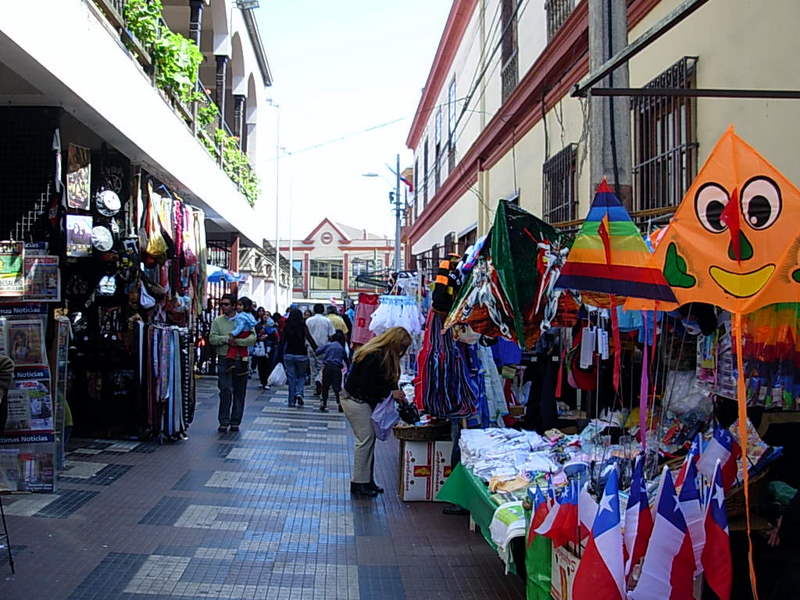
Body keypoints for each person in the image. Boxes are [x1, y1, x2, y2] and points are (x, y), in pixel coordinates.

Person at [343, 326, 412, 498]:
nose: (402, 351)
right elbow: (368, 385)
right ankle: (359, 483)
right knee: (365, 440)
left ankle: (366, 480)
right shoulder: (374, 356)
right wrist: (390, 393)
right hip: (356, 401)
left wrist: (392, 390)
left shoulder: (379, 354)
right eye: (401, 347)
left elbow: (386, 380)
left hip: (357, 400)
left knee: (368, 440)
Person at [209, 294, 256, 432]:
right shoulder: (218, 321)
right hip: (224, 358)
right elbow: (212, 338)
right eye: (222, 304)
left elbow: (253, 337)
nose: (223, 307)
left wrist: (239, 342)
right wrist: (226, 339)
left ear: (234, 305)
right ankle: (223, 420)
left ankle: (235, 420)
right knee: (225, 389)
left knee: (239, 391)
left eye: (226, 304)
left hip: (241, 358)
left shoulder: (244, 318)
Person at [282, 308, 317, 407]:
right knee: (301, 376)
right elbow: (310, 338)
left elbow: (282, 342)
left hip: (289, 355)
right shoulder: (303, 326)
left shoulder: (287, 327)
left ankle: (291, 401)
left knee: (291, 378)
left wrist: (280, 355)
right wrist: (317, 349)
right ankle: (299, 393)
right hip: (302, 355)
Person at [316, 330, 349, 412]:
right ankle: (340, 404)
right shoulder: (341, 348)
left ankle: (324, 403)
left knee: (325, 386)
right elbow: (346, 360)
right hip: (337, 368)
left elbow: (317, 351)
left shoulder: (328, 345)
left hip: (327, 367)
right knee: (337, 387)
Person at [306, 304, 335, 396]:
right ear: (323, 311)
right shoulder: (327, 321)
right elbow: (331, 335)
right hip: (323, 347)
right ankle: (320, 382)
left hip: (310, 347)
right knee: (322, 367)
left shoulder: (308, 320)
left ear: (314, 310)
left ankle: (314, 387)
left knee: (312, 367)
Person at [225, 297, 257, 374]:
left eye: (240, 305)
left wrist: (233, 333)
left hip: (241, 333)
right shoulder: (249, 315)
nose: (238, 307)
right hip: (247, 333)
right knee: (243, 350)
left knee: (233, 347)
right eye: (237, 305)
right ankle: (244, 366)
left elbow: (240, 326)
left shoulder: (241, 316)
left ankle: (230, 363)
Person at [254, 307, 278, 390]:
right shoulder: (258, 325)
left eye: (267, 315)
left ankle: (267, 381)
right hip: (261, 346)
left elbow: (276, 337)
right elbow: (254, 335)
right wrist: (259, 338)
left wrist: (268, 336)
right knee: (260, 365)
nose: (265, 316)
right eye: (264, 315)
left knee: (268, 365)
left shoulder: (273, 325)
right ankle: (262, 380)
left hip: (269, 347)